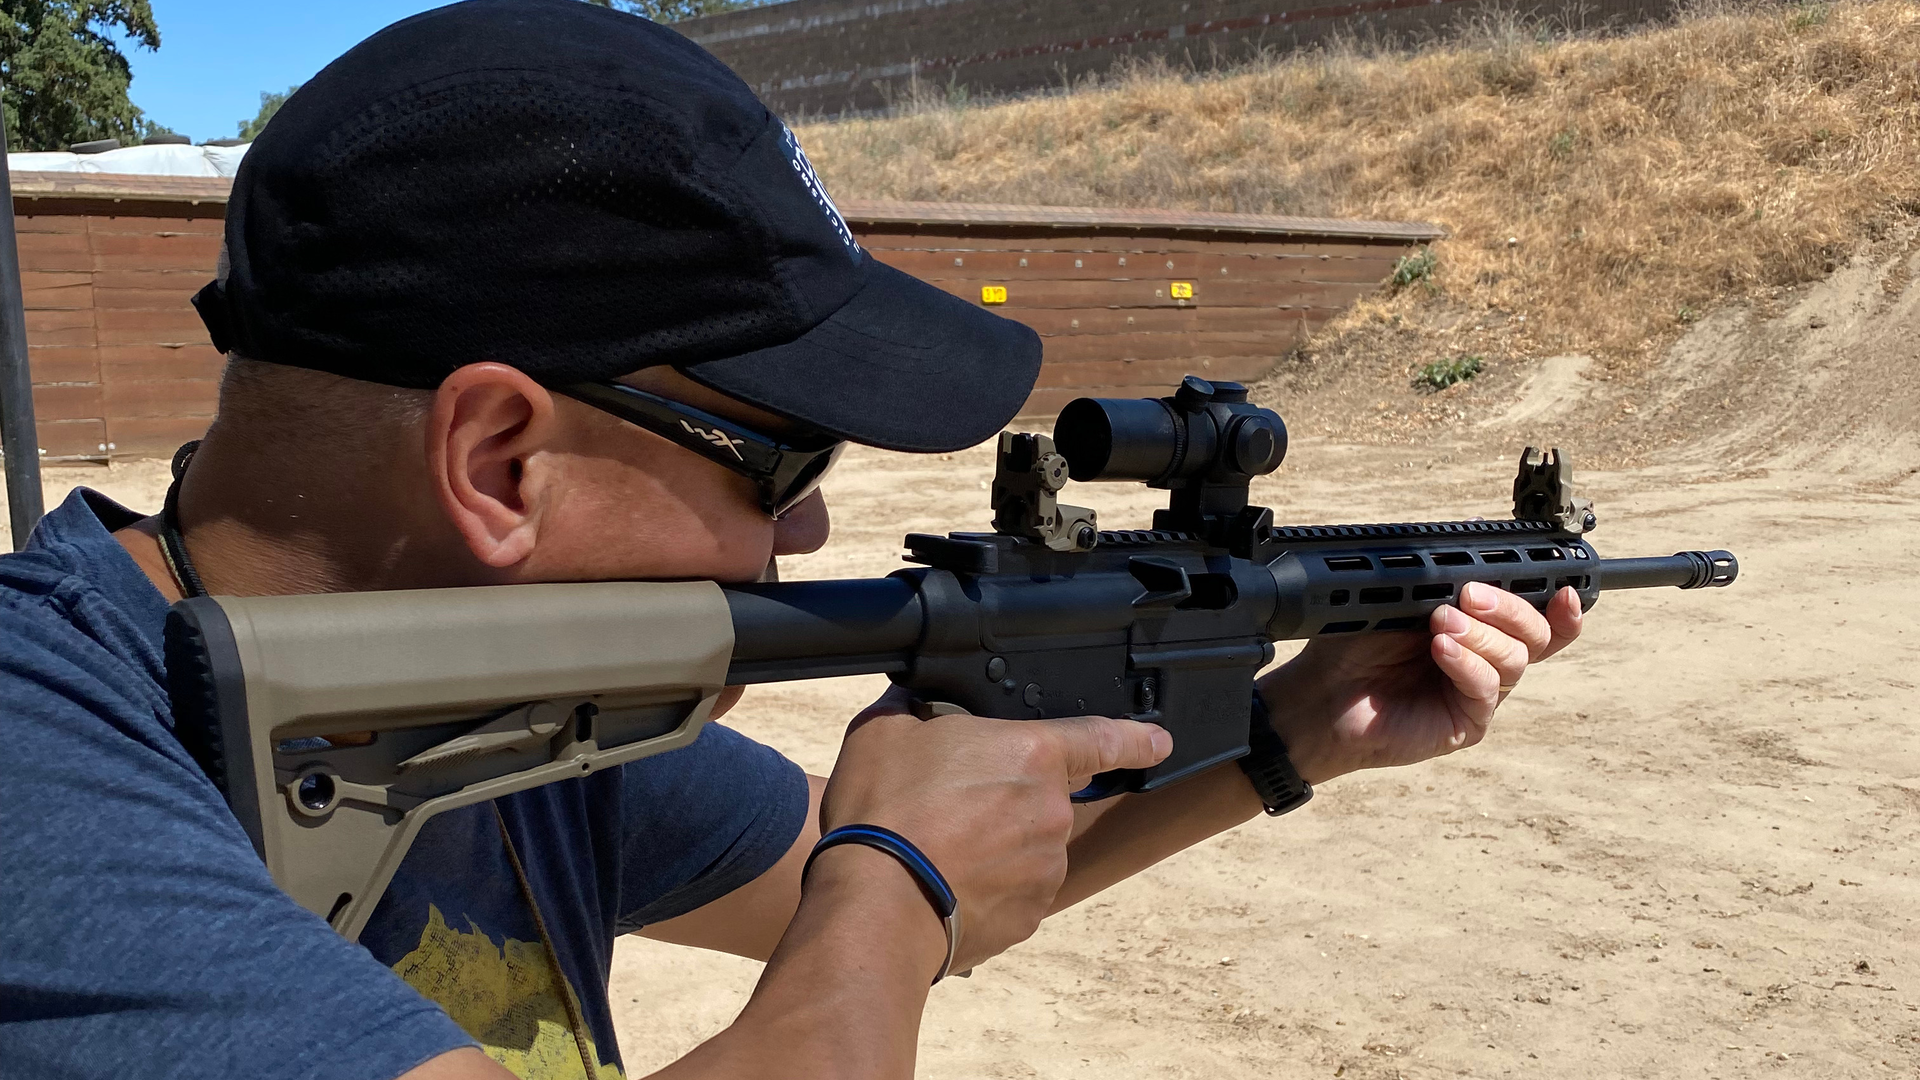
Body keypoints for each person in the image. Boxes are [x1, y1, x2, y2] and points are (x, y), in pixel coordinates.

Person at [0, 2, 1584, 1078]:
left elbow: (906, 883)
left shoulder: (482, 708)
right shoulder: (35, 761)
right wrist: (888, 888)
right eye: (782, 459)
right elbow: (879, 901)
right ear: (497, 459)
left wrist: (1292, 732)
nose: (814, 526)